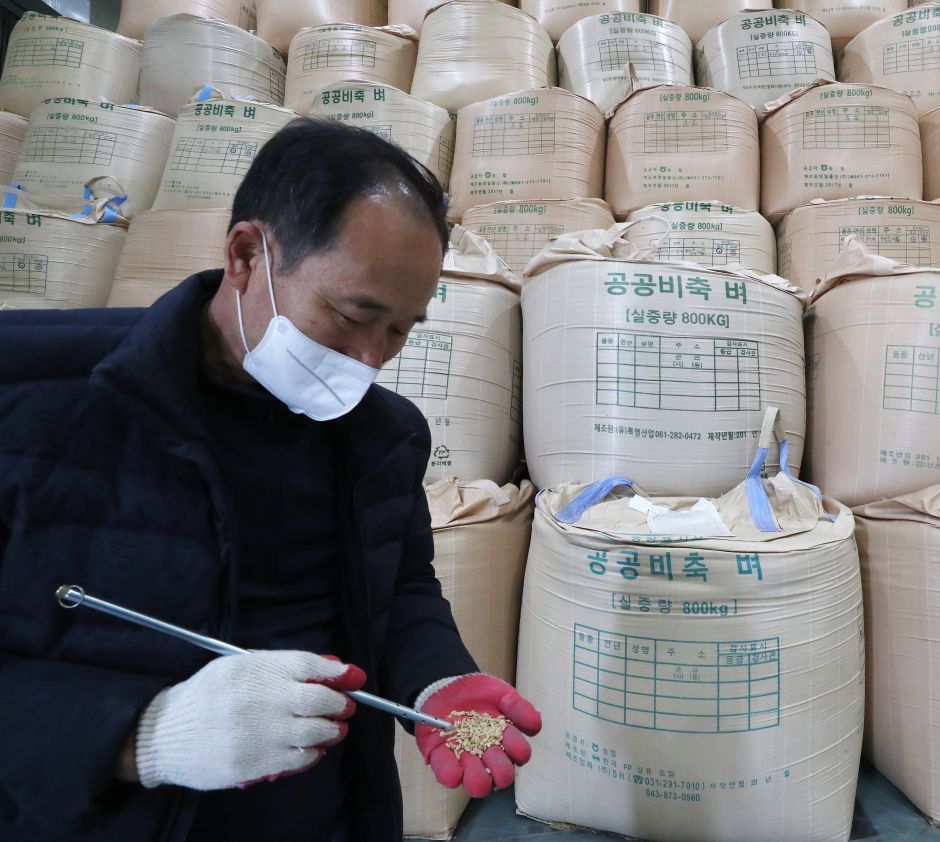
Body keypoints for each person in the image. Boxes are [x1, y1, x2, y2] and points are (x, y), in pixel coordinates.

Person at [0, 118, 541, 841]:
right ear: (247, 254)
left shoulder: (385, 436)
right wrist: (144, 735)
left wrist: (437, 677)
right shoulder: (31, 397)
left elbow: (400, 585)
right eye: (352, 314)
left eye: (399, 331)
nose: (369, 359)